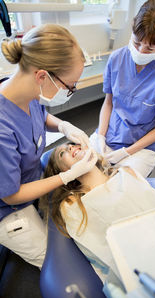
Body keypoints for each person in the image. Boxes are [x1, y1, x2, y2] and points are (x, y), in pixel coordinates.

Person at [0, 24, 97, 268]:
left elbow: (39, 116)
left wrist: (64, 126)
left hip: (31, 179)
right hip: (7, 207)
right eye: (70, 86)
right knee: (59, 263)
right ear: (43, 76)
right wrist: (67, 175)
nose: (70, 91)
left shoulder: (26, 90)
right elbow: (11, 194)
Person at [40, 142, 155, 287]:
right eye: (62, 153)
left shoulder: (126, 173)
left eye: (72, 144)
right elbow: (100, 251)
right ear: (63, 171)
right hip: (140, 266)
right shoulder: (73, 205)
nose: (71, 147)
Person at [90, 0, 155, 178]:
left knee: (120, 188)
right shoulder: (116, 59)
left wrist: (127, 153)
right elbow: (108, 103)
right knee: (80, 172)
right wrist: (101, 136)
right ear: (132, 29)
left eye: (150, 48)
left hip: (142, 148)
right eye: (136, 42)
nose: (141, 50)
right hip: (109, 134)